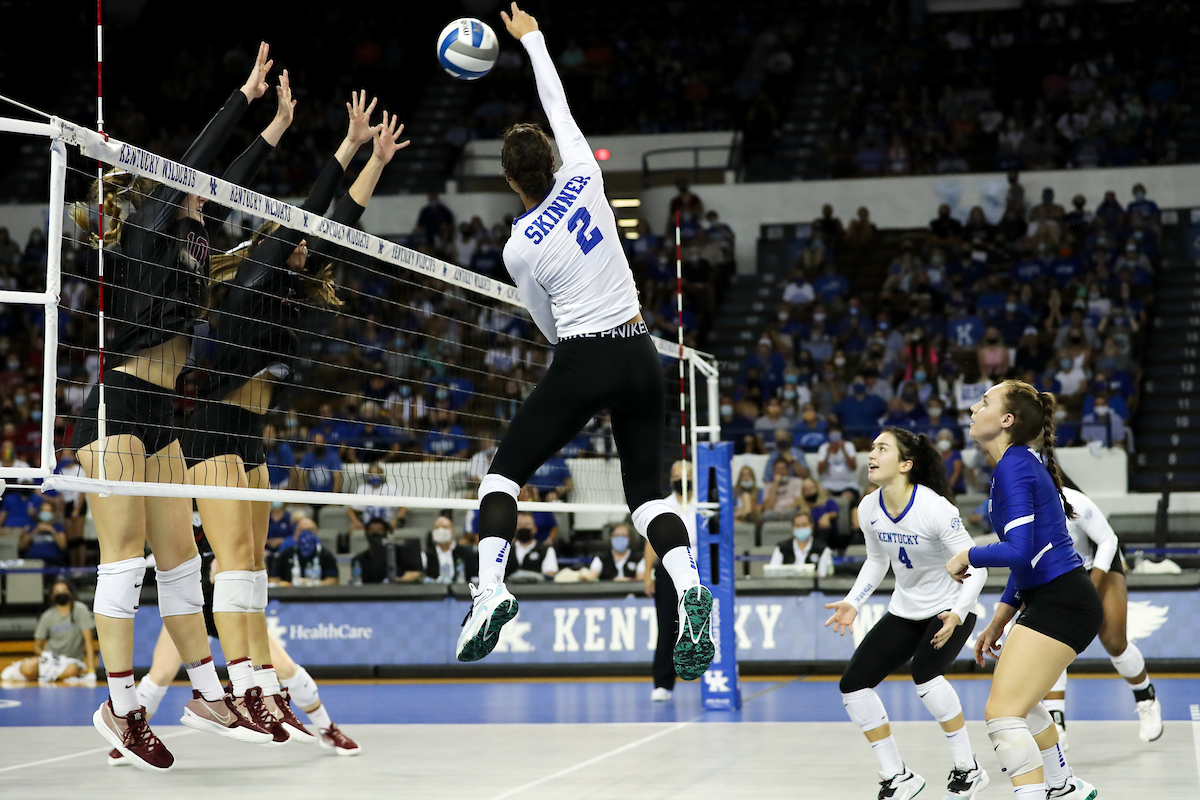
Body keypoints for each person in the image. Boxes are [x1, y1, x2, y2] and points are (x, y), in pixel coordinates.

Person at [459, 4, 712, 680]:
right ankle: (690, 588)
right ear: (553, 156)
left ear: (512, 182)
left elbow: (545, 324)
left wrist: (572, 364)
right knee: (650, 497)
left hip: (583, 352)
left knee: (503, 476)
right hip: (640, 351)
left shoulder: (518, 246)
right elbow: (556, 98)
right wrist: (534, 37)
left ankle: (490, 589)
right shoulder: (586, 175)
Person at [67, 44, 286, 768]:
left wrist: (275, 130)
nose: (205, 187)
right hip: (118, 401)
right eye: (191, 182)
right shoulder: (155, 222)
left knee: (181, 558)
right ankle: (121, 707)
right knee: (124, 562)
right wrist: (243, 96)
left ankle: (203, 689)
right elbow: (198, 159)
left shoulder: (196, 233)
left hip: (160, 412)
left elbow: (234, 179)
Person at [182, 87, 400, 738]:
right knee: (237, 560)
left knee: (252, 562)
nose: (307, 245)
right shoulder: (255, 281)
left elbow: (341, 221)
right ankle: (244, 688)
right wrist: (346, 142)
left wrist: (377, 161)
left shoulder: (298, 288)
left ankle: (263, 687)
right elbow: (311, 213)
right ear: (274, 249)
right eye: (294, 243)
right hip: (209, 430)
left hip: (250, 436)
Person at [945, 381, 1101, 799]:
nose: (974, 409)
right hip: (1057, 597)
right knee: (1024, 702)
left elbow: (1018, 549)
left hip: (1063, 601)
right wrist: (999, 619)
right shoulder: (1018, 463)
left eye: (984, 403)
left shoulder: (1014, 466)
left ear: (1006, 421)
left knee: (1001, 714)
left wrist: (968, 556)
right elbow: (1028, 558)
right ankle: (1063, 785)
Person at [824, 428, 989, 800]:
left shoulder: (935, 508)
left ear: (905, 464)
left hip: (949, 608)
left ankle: (969, 768)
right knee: (853, 685)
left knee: (926, 677)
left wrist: (959, 612)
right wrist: (854, 601)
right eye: (871, 447)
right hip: (904, 610)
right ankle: (897, 776)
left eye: (882, 448)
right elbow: (876, 560)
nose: (871, 454)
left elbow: (978, 567)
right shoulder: (868, 507)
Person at [109, 521, 359, 764]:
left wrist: (227, 565)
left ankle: (328, 728)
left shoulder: (226, 514)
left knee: (284, 668)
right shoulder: (174, 518)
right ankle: (128, 737)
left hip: (231, 612)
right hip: (190, 613)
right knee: (160, 675)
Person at [1043, 481, 1162, 748]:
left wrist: (1089, 588)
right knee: (1053, 644)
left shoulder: (1073, 502)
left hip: (1096, 564)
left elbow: (1108, 540)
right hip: (1056, 574)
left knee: (1114, 642)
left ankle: (1146, 698)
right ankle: (1056, 722)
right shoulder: (1017, 508)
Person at [644, 460, 699, 701]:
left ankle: (712, 678)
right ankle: (662, 683)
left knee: (706, 623)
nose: (680, 478)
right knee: (667, 626)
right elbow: (650, 542)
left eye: (685, 473)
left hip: (701, 569)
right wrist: (648, 573)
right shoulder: (663, 506)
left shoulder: (704, 504)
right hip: (669, 571)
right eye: (676, 474)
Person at [2, 578, 95, 683]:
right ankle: (22, 670)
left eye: (64, 591)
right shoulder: (47, 616)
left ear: (70, 592)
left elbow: (88, 640)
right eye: (57, 592)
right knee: (27, 668)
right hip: (50, 659)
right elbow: (37, 645)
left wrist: (91, 670)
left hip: (71, 660)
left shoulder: (80, 610)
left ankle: (46, 676)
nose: (61, 594)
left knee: (71, 671)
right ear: (52, 595)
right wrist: (44, 654)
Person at [351, 518, 424, 584]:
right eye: (373, 535)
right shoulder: (359, 560)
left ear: (386, 534)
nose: (376, 540)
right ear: (366, 536)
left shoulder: (399, 556)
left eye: (379, 534)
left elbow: (411, 574)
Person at [274, 524, 339, 587]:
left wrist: (314, 584)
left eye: (310, 530)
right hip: (289, 594)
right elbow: (273, 579)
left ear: (316, 533)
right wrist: (287, 585)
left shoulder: (326, 555)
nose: (306, 534)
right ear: (295, 534)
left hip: (319, 595)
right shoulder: (286, 554)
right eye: (302, 530)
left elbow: (334, 580)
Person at [348, 462, 406, 532]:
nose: (374, 476)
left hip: (386, 523)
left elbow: (403, 507)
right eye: (372, 474)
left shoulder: (390, 488)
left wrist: (396, 519)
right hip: (368, 523)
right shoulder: (362, 489)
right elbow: (351, 509)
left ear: (382, 475)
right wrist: (355, 521)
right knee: (353, 527)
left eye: (377, 474)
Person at [421, 515, 479, 583]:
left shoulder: (468, 554)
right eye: (437, 528)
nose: (440, 530)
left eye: (444, 527)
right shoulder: (426, 556)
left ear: (452, 532)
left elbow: (475, 578)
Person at [505, 511, 559, 580]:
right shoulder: (506, 550)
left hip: (537, 589)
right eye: (520, 525)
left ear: (534, 529)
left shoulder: (546, 550)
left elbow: (550, 574)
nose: (524, 528)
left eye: (527, 525)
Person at [816, 424, 860, 504]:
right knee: (823, 498)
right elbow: (820, 471)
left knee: (845, 499)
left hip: (848, 485)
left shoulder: (849, 446)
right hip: (828, 485)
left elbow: (853, 467)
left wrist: (844, 450)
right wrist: (827, 454)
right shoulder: (824, 448)